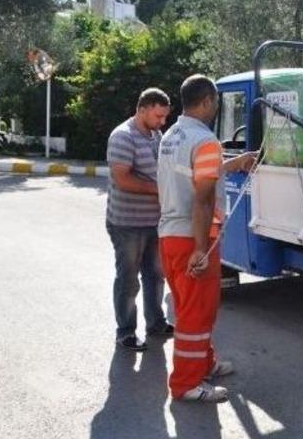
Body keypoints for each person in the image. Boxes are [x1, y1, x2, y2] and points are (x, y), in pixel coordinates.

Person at [157, 74, 257, 403]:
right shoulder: (205, 140)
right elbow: (201, 198)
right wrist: (200, 248)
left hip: (171, 235)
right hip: (192, 238)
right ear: (206, 102)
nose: (215, 107)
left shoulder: (173, 134)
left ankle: (204, 364)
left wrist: (234, 163)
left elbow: (197, 175)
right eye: (214, 101)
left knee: (196, 307)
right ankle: (186, 384)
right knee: (195, 314)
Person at [106, 88, 175, 352]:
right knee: (128, 279)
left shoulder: (155, 135)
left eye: (164, 117)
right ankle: (125, 332)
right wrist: (160, 189)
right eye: (158, 116)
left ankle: (156, 323)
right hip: (127, 223)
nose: (162, 122)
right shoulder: (123, 136)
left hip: (154, 222)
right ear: (143, 109)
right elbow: (123, 179)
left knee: (156, 275)